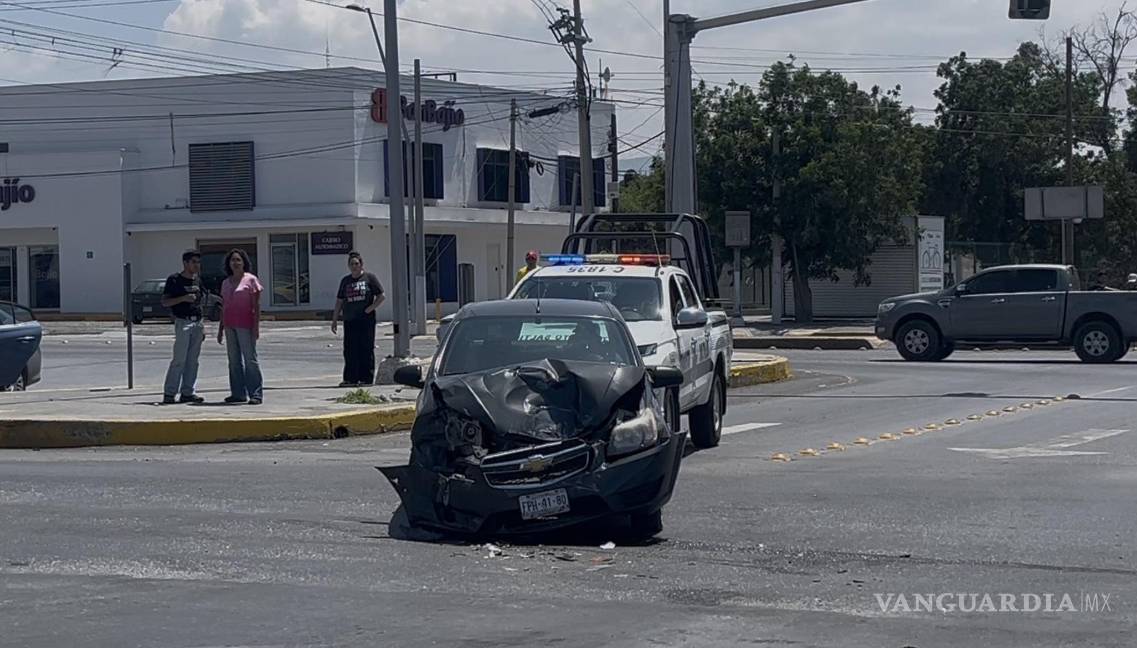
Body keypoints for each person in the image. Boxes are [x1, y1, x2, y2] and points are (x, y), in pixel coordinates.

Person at [217, 248, 264, 405]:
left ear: (244, 262)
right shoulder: (225, 283)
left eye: (238, 260)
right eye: (232, 260)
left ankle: (256, 394)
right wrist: (220, 328)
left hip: (246, 325)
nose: (235, 263)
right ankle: (238, 393)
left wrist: (256, 327)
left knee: (250, 359)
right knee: (234, 360)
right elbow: (224, 306)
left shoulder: (251, 280)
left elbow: (256, 306)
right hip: (230, 325)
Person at [332, 251, 385, 387]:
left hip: (366, 320)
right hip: (350, 320)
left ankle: (366, 379)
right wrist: (335, 319)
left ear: (361, 264)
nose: (354, 266)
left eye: (356, 263)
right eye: (351, 264)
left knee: (366, 348)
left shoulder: (369, 278)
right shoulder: (346, 281)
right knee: (350, 349)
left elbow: (381, 296)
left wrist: (370, 308)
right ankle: (350, 378)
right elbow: (339, 301)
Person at [160, 250, 207, 405]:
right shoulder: (174, 280)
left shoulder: (197, 280)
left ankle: (188, 392)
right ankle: (170, 393)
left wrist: (203, 324)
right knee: (179, 359)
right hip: (183, 322)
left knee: (193, 361)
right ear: (185, 263)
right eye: (193, 262)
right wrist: (183, 298)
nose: (196, 265)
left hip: (197, 323)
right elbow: (165, 302)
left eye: (198, 262)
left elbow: (201, 302)